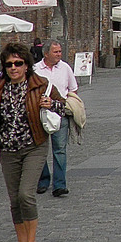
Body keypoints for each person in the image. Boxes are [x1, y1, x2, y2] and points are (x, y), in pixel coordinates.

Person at [0, 43, 64, 242]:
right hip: (8, 149)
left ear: (26, 65)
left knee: (25, 195)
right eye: (9, 64)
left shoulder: (40, 85)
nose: (13, 68)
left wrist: (51, 104)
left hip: (34, 145)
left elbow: (64, 106)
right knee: (14, 200)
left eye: (18, 63)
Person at [34, 40, 77, 198]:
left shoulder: (65, 68)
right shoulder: (35, 69)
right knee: (40, 149)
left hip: (60, 113)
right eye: (56, 52)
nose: (59, 54)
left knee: (59, 150)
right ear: (46, 53)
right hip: (41, 114)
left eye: (60, 51)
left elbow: (73, 89)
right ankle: (43, 180)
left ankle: (59, 184)